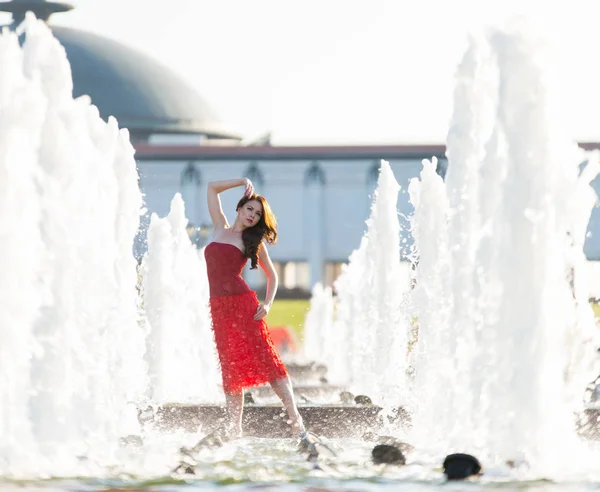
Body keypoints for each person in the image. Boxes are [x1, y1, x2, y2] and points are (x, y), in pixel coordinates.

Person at [204, 177, 306, 439]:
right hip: (219, 309)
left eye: (258, 214)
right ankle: (234, 428)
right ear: (239, 208)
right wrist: (241, 181)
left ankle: (295, 419)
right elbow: (212, 188)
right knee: (231, 366)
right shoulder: (219, 227)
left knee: (269, 362)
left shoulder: (253, 243)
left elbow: (272, 276)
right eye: (250, 209)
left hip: (244, 306)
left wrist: (268, 304)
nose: (252, 215)